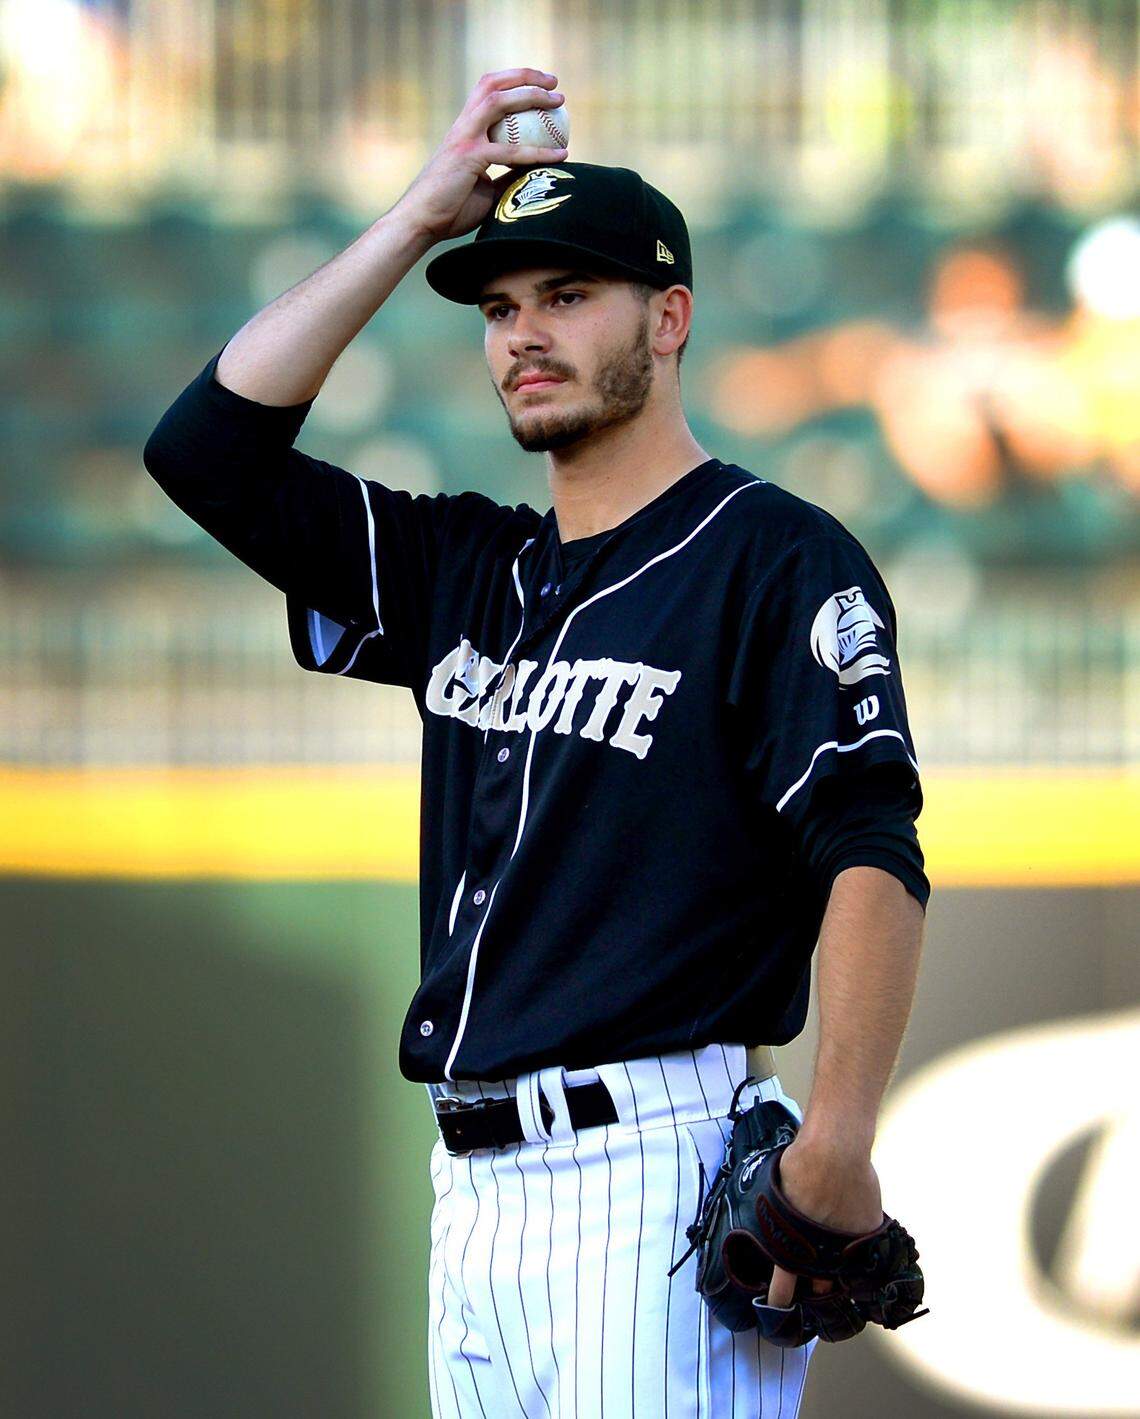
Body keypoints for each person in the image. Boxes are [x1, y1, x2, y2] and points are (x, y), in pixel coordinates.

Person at [143, 66, 930, 1419]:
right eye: (503, 307)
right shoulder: (471, 564)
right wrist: (412, 224)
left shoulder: (772, 557)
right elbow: (206, 454)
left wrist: (841, 1149)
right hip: (470, 1196)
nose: (524, 333)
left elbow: (869, 845)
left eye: (568, 295)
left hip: (654, 1183)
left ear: (669, 317)